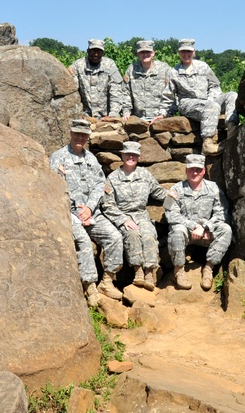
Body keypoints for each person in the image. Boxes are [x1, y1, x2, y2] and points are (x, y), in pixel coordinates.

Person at [49, 118, 125, 306]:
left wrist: (89, 208)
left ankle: (107, 281)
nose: (80, 138)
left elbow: (100, 185)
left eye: (84, 135)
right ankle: (90, 287)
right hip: (68, 213)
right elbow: (54, 187)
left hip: (91, 212)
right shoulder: (58, 157)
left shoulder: (91, 159)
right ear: (71, 134)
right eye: (77, 134)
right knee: (82, 241)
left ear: (88, 137)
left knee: (114, 236)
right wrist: (77, 211)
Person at [101, 141, 169, 290]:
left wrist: (176, 197)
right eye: (127, 154)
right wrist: (123, 220)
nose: (130, 157)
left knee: (149, 234)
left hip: (141, 215)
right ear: (122, 155)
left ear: (138, 157)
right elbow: (107, 205)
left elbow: (159, 192)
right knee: (132, 234)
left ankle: (149, 272)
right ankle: (138, 271)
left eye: (134, 155)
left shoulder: (145, 175)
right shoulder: (112, 178)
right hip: (124, 216)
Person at [164, 154, 232, 290]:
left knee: (226, 229)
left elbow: (222, 212)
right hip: (186, 233)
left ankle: (209, 268)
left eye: (198, 170)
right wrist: (194, 226)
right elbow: (170, 213)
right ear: (186, 170)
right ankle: (179, 270)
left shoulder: (214, 188)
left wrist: (206, 228)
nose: (194, 173)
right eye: (191, 169)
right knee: (176, 231)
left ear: (204, 171)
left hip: (206, 233)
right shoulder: (175, 189)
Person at [168, 38, 237, 155]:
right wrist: (163, 112)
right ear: (179, 53)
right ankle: (207, 143)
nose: (186, 54)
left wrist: (211, 99)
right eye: (183, 51)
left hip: (208, 100)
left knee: (232, 95)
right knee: (212, 106)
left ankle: (232, 130)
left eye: (189, 51)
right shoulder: (173, 72)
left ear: (194, 52)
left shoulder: (203, 66)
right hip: (187, 104)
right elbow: (168, 95)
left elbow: (214, 85)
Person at [69, 38, 128, 119]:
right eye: (93, 51)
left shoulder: (109, 64)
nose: (96, 54)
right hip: (84, 115)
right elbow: (72, 91)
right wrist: (76, 114)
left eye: (99, 51)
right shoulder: (78, 65)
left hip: (106, 116)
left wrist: (113, 114)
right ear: (88, 51)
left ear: (103, 53)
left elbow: (116, 91)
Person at [123, 40, 174, 122]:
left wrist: (168, 112)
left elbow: (172, 91)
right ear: (138, 54)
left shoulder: (164, 69)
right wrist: (126, 112)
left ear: (153, 53)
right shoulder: (131, 69)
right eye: (142, 52)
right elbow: (126, 93)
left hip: (161, 117)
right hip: (138, 118)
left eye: (148, 52)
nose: (145, 55)